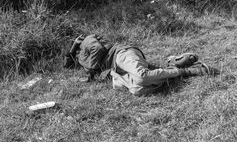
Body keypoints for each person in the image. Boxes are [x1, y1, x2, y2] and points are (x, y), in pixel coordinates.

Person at [64, 34, 220, 96]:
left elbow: (97, 49)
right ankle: (173, 66)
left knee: (143, 75)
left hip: (121, 55)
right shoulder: (80, 58)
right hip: (116, 73)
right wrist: (72, 51)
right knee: (138, 88)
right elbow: (67, 65)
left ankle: (188, 71)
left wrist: (90, 72)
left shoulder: (87, 40)